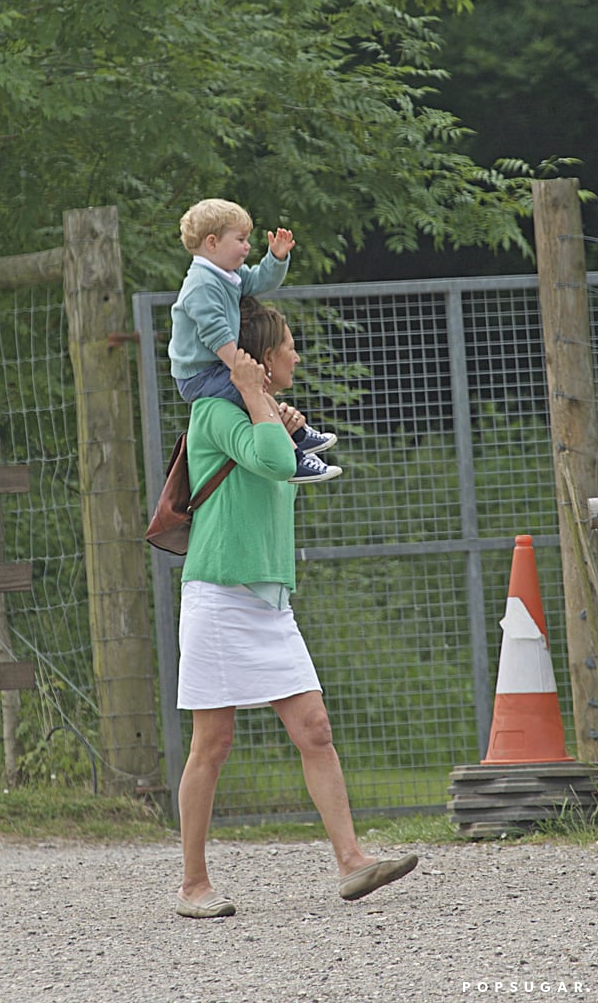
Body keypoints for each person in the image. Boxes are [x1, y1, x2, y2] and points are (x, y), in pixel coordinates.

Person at [174, 296, 418, 919]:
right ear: (259, 359)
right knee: (214, 741)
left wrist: (271, 417)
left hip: (268, 599)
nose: (296, 354)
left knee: (315, 730)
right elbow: (278, 463)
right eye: (286, 345)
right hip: (220, 595)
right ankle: (193, 885)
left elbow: (282, 464)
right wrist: (256, 399)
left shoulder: (257, 416)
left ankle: (351, 862)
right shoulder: (214, 412)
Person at [168, 197, 341, 484]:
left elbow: (260, 281)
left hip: (215, 365)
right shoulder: (201, 283)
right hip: (199, 375)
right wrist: (240, 367)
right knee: (255, 391)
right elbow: (214, 331)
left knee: (258, 392)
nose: (247, 247)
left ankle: (295, 436)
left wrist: (277, 258)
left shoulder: (227, 276)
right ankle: (295, 454)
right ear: (212, 243)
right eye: (241, 239)